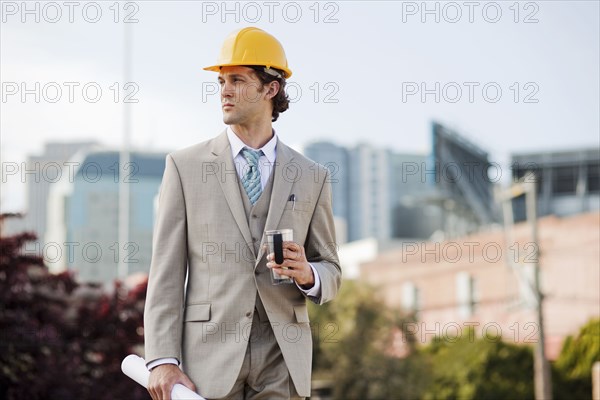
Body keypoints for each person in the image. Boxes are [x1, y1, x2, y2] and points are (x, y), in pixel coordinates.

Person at [144, 27, 342, 400]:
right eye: (221, 81)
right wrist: (162, 359)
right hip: (208, 359)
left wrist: (308, 273)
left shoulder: (313, 176)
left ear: (271, 89)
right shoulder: (184, 167)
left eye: (237, 80)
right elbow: (166, 273)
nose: (224, 91)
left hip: (282, 359)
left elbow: (331, 269)